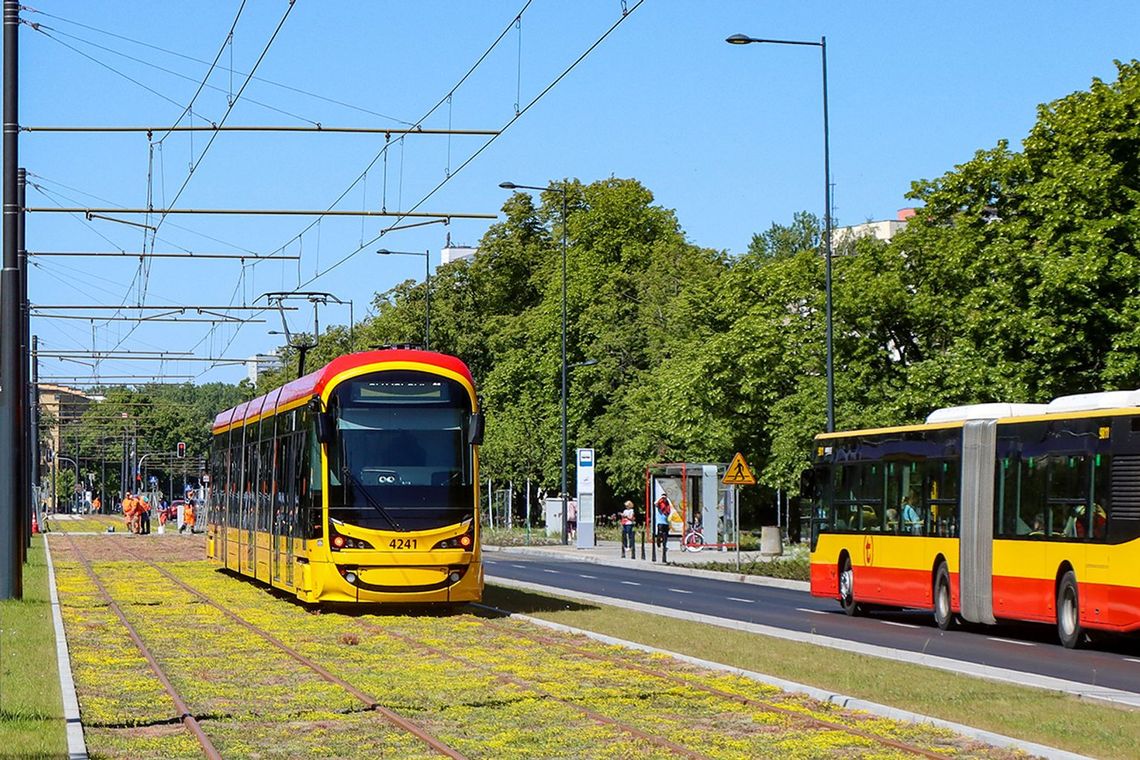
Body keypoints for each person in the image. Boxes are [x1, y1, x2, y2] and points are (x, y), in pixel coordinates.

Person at [654, 495, 672, 562]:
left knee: (666, 536)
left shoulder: (667, 504)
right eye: (663, 498)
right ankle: (658, 542)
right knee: (660, 534)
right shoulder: (659, 504)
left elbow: (669, 511)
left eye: (665, 498)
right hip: (660, 522)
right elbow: (655, 503)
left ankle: (664, 546)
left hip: (666, 523)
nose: (664, 499)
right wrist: (660, 498)